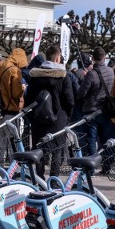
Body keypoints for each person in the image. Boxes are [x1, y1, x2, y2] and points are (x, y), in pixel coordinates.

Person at [24, 45, 74, 178]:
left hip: (38, 119)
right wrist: (68, 116)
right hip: (58, 118)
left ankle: (40, 179)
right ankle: (54, 179)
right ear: (58, 58)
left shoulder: (35, 76)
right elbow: (69, 100)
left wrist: (32, 116)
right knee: (57, 151)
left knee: (39, 150)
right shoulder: (63, 76)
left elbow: (28, 99)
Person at [77, 47, 115, 173]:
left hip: (91, 110)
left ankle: (91, 168)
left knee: (91, 140)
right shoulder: (111, 71)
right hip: (105, 109)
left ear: (92, 58)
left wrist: (83, 80)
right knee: (105, 139)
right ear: (104, 57)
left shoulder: (91, 74)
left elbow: (81, 93)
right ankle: (107, 167)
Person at [0, 47, 28, 167]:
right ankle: (12, 168)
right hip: (9, 110)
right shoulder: (14, 70)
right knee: (13, 141)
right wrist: (23, 89)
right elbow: (16, 93)